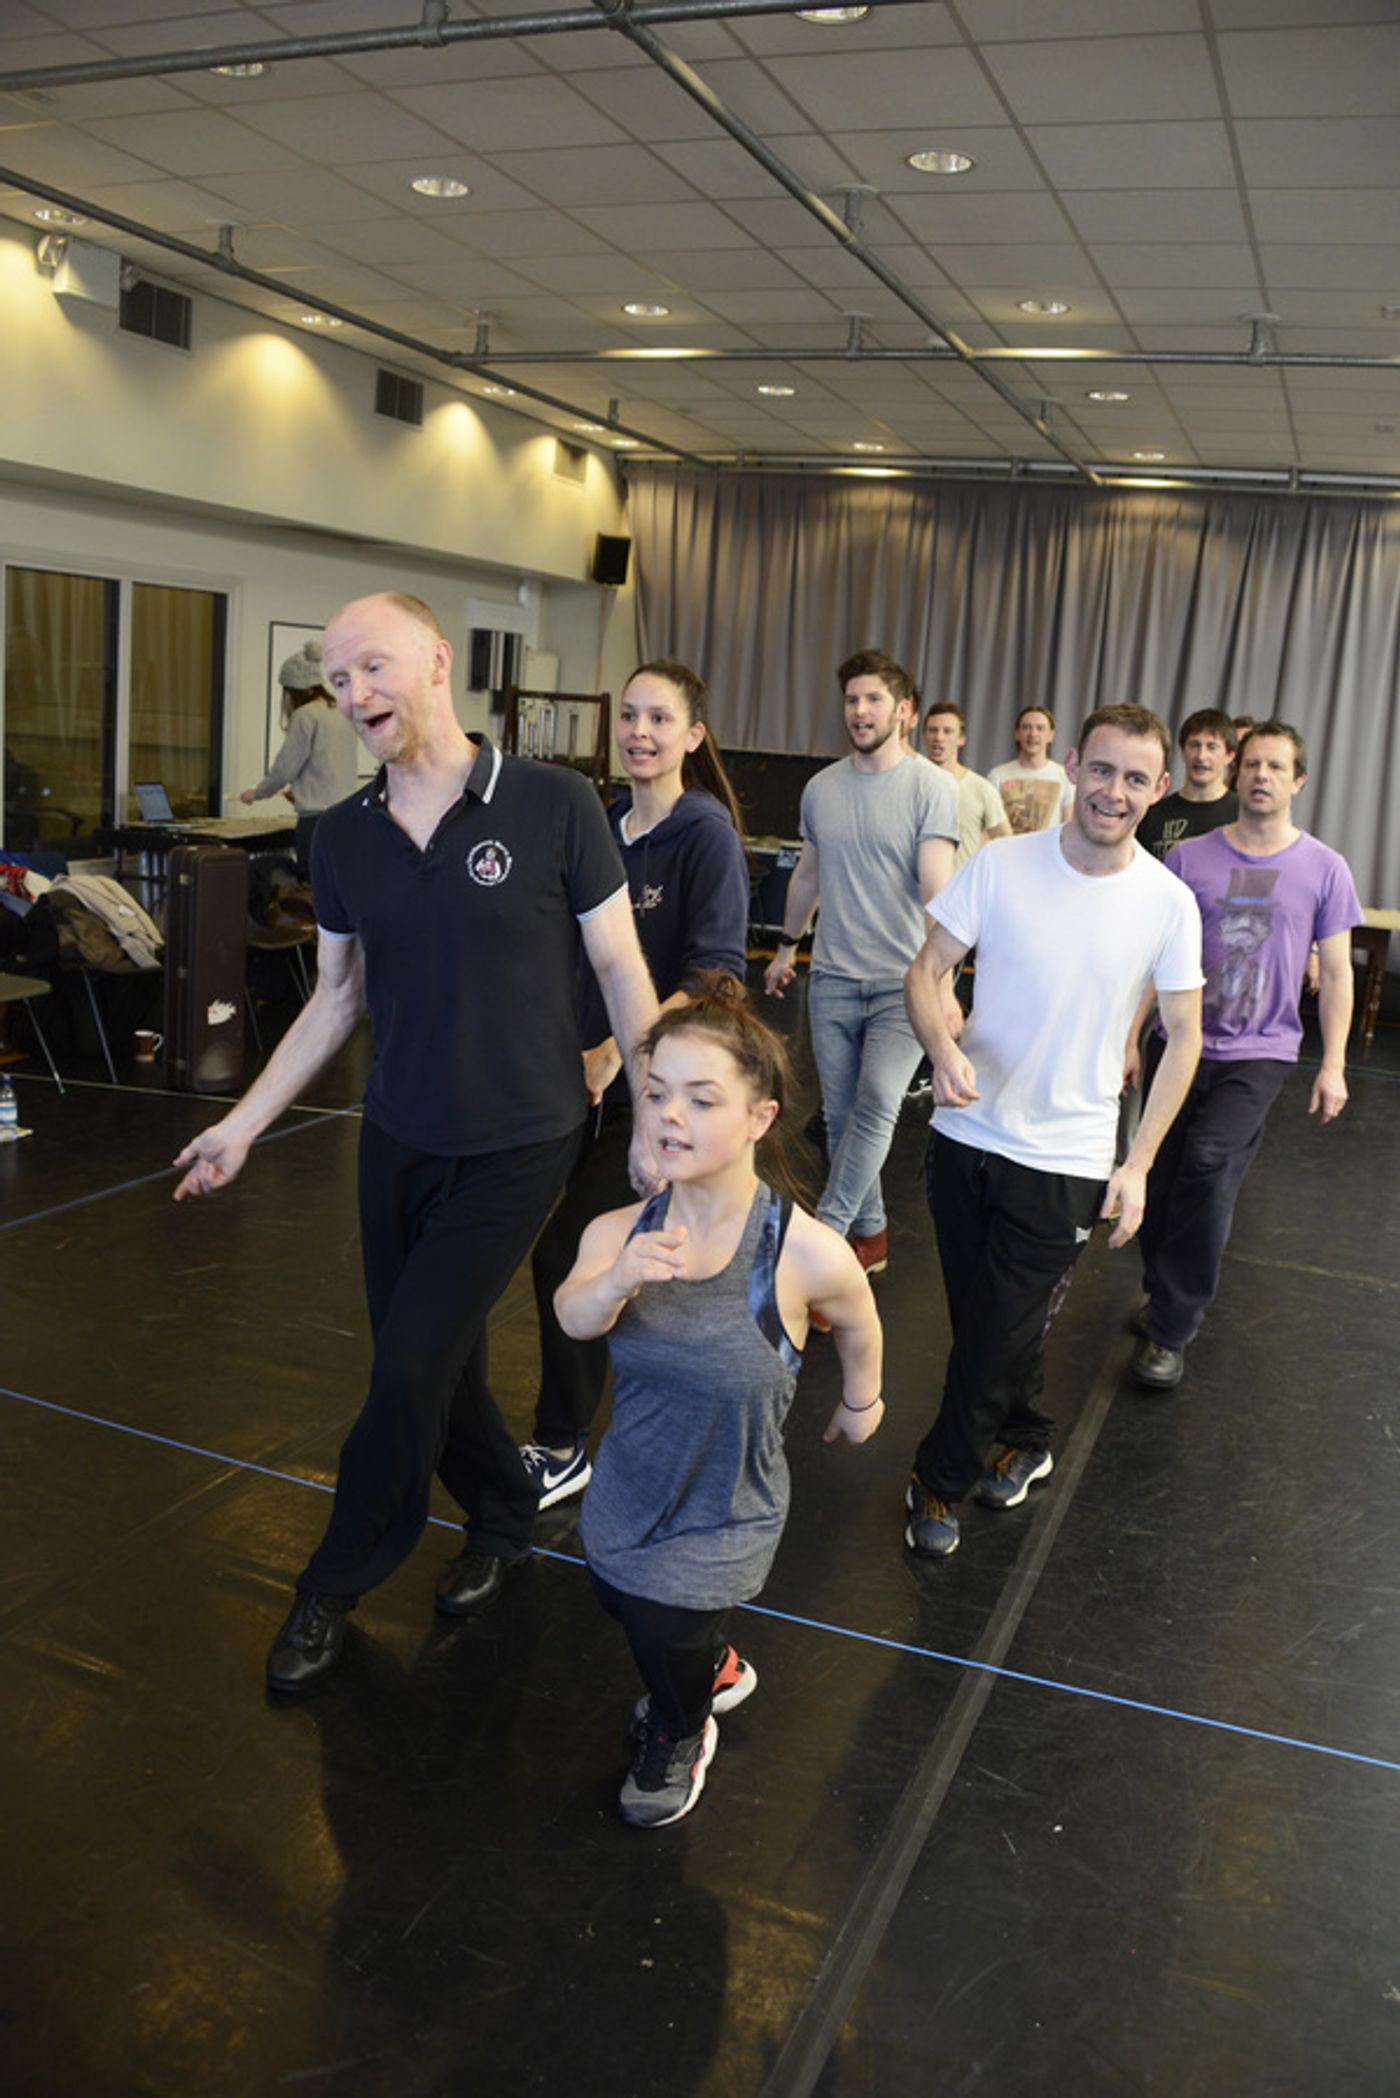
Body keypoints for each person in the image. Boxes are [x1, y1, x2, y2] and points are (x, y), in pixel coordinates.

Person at [172, 591, 659, 1692]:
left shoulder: (553, 804)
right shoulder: (343, 835)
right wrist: (242, 1126)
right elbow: (336, 998)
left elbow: (621, 967)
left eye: (373, 668)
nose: (355, 695)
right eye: (340, 678)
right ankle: (503, 1514)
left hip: (522, 1138)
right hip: (397, 1134)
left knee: (404, 1364)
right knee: (437, 1359)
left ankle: (332, 1582)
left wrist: (656, 1123)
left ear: (438, 661)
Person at [556, 977, 883, 1828]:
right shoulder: (615, 1233)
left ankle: (680, 1726)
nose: (671, 1115)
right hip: (630, 1488)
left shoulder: (802, 1253)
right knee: (620, 1602)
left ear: (759, 1118)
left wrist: (862, 1399)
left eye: (702, 1100)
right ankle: (714, 1663)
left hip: (724, 1507)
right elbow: (571, 1316)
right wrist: (618, 1280)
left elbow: (858, 1315)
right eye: (657, 1093)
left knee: (663, 1632)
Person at [902, 704, 1204, 1560]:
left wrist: (1138, 1164)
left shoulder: (1168, 902)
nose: (1114, 791)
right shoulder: (1001, 865)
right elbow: (925, 972)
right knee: (989, 1321)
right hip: (966, 1135)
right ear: (1072, 766)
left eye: (1135, 778)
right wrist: (941, 1047)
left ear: (1159, 788)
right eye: (1102, 770)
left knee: (998, 1326)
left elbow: (1185, 1036)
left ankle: (937, 1480)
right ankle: (1028, 1435)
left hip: (1067, 1154)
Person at [519, 660, 750, 1510]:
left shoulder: (705, 835)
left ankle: (561, 1444)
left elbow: (718, 975)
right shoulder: (600, 824)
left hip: (647, 1093)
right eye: (629, 716)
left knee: (570, 1253)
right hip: (568, 1078)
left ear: (693, 735)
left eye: (659, 719)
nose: (639, 733)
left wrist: (620, 1054)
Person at [1129, 720, 1361, 1389]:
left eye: (1276, 766)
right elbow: (1152, 960)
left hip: (1260, 1051)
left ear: (1298, 781)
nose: (1261, 776)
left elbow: (1337, 973)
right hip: (1179, 1042)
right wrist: (1128, 1039)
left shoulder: (1325, 868)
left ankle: (1171, 1330)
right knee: (1160, 1176)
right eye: (1253, 764)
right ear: (1237, 773)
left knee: (1207, 1165)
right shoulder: (1189, 859)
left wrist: (1334, 1064)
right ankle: (1161, 1292)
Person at [764, 649, 958, 1288]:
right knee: (841, 1119)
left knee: (875, 1106)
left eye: (874, 699)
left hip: (904, 986)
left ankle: (820, 1245)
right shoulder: (822, 789)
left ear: (904, 711)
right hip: (832, 980)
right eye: (852, 699)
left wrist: (942, 984)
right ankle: (870, 1236)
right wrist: (787, 947)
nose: (860, 710)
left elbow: (936, 889)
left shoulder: (931, 788)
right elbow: (809, 874)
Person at [239, 640, 357, 878]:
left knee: (309, 885)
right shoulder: (341, 712)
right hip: (347, 818)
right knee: (335, 884)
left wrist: (257, 793)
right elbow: (329, 766)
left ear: (294, 690)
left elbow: (286, 768)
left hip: (316, 823)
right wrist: (302, 791)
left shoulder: (305, 716)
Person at [1135, 708, 1237, 863]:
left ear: (1230, 755)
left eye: (1212, 747)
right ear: (1182, 751)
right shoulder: (1153, 813)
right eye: (1194, 745)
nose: (1201, 756)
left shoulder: (1241, 815)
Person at [921, 703, 1012, 866]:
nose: (938, 737)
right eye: (933, 730)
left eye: (947, 731)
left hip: (962, 881)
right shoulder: (911, 783)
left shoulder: (982, 789)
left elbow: (1007, 844)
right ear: (924, 736)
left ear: (961, 739)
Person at [988, 704, 1074, 834]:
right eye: (1026, 727)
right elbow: (989, 828)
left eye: (1040, 728)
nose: (1033, 734)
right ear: (1017, 734)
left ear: (1051, 736)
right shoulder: (997, 776)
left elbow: (1069, 827)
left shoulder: (1065, 776)